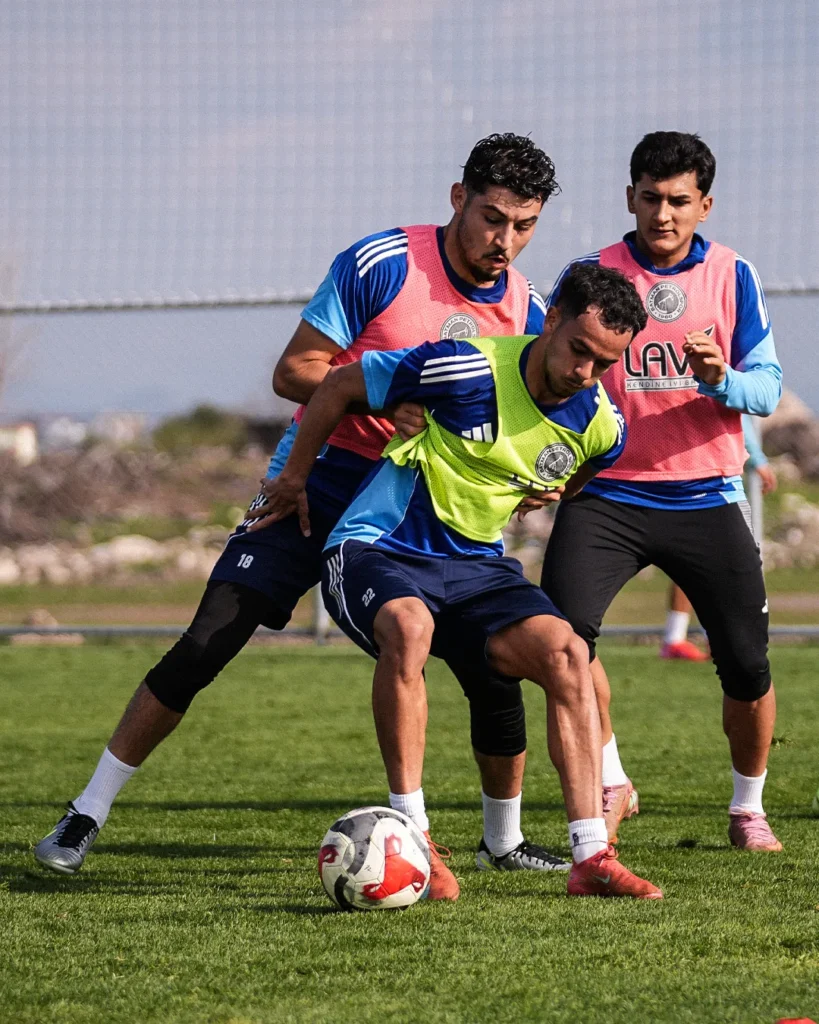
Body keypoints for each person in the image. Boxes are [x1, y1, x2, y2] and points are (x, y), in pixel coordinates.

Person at [34, 133, 569, 895]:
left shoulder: (528, 310)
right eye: (491, 218)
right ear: (458, 198)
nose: (504, 241)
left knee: (490, 659)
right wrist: (384, 405)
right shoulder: (383, 263)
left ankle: (501, 841)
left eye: (524, 226)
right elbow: (294, 372)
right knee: (207, 640)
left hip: (418, 512)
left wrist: (533, 475)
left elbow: (529, 418)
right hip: (314, 483)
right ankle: (85, 813)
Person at [248, 263, 663, 899]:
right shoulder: (463, 367)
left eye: (604, 363)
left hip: (476, 568)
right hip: (378, 547)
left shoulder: (601, 422)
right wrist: (295, 478)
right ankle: (415, 841)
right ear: (551, 320)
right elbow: (335, 386)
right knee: (409, 626)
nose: (585, 371)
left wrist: (549, 489)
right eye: (579, 350)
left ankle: (591, 857)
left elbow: (582, 472)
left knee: (567, 653)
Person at [539, 132, 784, 851]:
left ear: (704, 205)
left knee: (747, 665)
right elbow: (541, 366)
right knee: (561, 643)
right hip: (605, 494)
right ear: (630, 198)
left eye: (679, 200)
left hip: (706, 496)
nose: (663, 213)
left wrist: (720, 380)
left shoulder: (734, 275)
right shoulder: (589, 274)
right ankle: (612, 778)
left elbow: (766, 389)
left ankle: (746, 808)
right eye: (650, 198)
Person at [660, 415, 777, 661]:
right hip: (705, 481)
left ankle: (684, 637)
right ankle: (693, 638)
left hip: (693, 474)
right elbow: (735, 415)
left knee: (694, 563)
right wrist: (758, 459)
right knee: (708, 564)